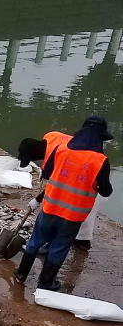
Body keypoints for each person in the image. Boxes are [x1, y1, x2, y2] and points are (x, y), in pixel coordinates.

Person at [14, 116, 114, 290]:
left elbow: (48, 173)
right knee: (59, 248)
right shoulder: (100, 161)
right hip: (72, 215)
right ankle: (46, 284)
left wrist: (39, 199)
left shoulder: (61, 149)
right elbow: (105, 191)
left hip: (50, 207)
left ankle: (21, 274)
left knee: (35, 240)